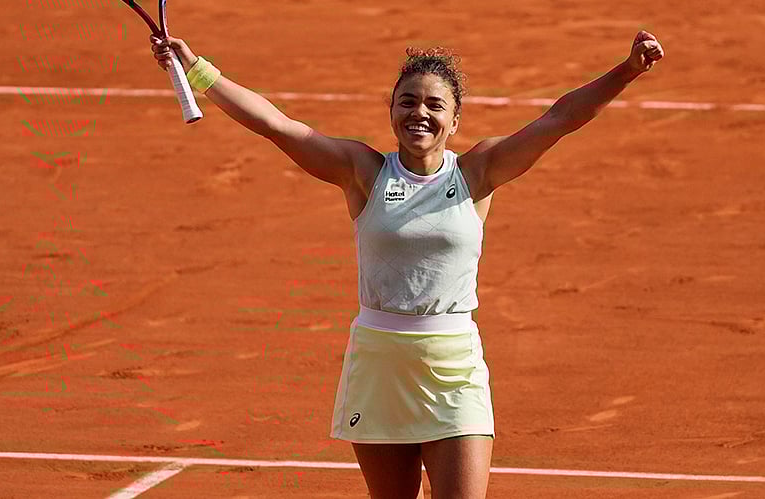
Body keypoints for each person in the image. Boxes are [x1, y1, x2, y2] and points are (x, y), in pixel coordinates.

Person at [150, 32, 665, 499]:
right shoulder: (361, 171)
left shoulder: (478, 171)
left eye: (435, 105)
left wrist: (626, 70)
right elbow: (276, 126)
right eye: (408, 101)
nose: (420, 112)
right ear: (392, 111)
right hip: (379, 363)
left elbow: (560, 119)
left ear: (455, 120)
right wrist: (197, 68)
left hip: (454, 366)